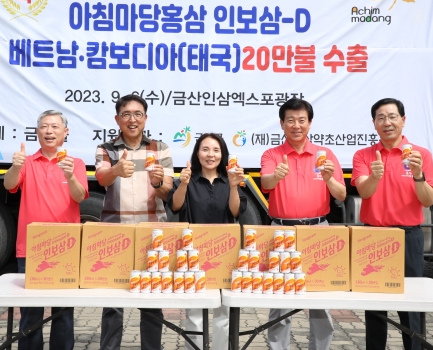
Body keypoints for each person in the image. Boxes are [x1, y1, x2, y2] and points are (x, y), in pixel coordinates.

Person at [351, 98, 433, 350]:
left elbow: (427, 200)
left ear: (403, 120)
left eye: (392, 116)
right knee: (375, 307)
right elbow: (364, 192)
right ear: (374, 123)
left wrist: (418, 176)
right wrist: (374, 176)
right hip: (374, 237)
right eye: (381, 118)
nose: (387, 122)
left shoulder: (421, 155)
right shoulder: (364, 155)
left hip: (408, 236)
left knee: (411, 304)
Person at [260, 98, 346, 350]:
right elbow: (265, 183)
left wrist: (329, 179)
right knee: (280, 295)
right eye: (290, 120)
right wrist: (276, 176)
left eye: (301, 120)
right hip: (282, 230)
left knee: (320, 295)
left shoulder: (324, 155)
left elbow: (341, 194)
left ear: (310, 123)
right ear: (281, 123)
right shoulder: (272, 154)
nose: (296, 126)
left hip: (318, 230)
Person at [4, 110, 88, 350]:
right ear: (37, 131)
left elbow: (79, 196)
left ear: (65, 132)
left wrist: (70, 176)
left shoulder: (76, 163)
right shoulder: (28, 162)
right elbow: (9, 184)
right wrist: (15, 167)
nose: (49, 131)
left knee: (63, 313)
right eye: (44, 126)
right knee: (31, 312)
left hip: (66, 247)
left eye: (55, 126)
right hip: (31, 247)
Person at [95, 94, 174, 350]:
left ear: (145, 118)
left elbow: (168, 193)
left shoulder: (159, 148)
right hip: (115, 233)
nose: (132, 119)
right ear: (117, 119)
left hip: (152, 235)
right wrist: (115, 170)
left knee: (151, 301)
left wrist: (158, 183)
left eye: (138, 114)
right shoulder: (106, 148)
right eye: (126, 114)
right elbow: (101, 178)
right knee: (112, 301)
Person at [167, 133, 247, 350]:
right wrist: (183, 184)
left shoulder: (230, 180)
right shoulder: (188, 179)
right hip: (193, 254)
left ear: (222, 155)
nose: (210, 155)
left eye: (216, 150)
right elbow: (175, 206)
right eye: (205, 149)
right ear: (197, 153)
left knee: (223, 314)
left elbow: (236, 211)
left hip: (225, 254)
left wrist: (233, 186)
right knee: (194, 314)